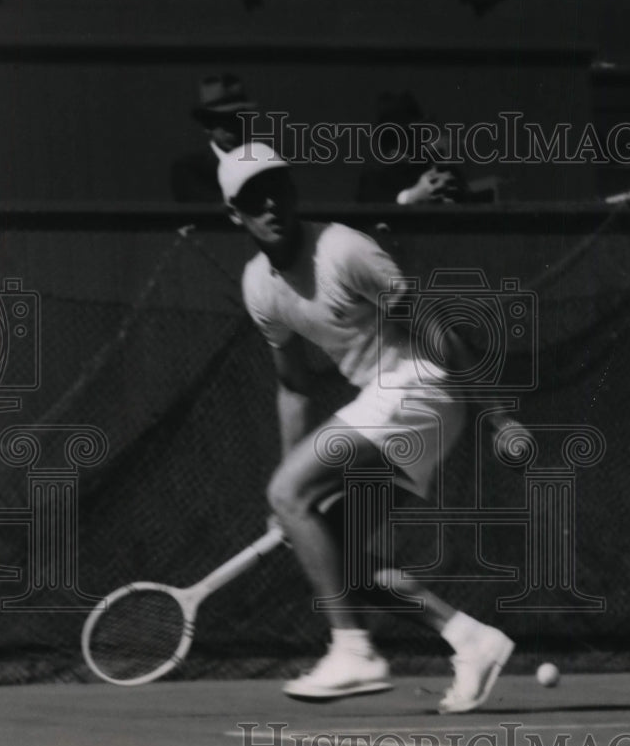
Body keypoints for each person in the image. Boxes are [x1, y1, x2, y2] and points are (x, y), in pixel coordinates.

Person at [219, 142, 517, 713]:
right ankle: (471, 640)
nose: (271, 206)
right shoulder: (259, 286)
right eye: (253, 200)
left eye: (277, 189)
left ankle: (353, 650)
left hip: (421, 385)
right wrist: (294, 496)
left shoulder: (345, 250)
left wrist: (498, 416)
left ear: (294, 191)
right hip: (393, 404)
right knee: (338, 557)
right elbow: (294, 386)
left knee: (291, 496)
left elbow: (437, 330)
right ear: (236, 215)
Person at [170, 74, 257, 202]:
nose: (232, 130)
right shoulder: (188, 170)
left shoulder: (265, 168)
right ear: (207, 125)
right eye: (223, 121)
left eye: (238, 120)